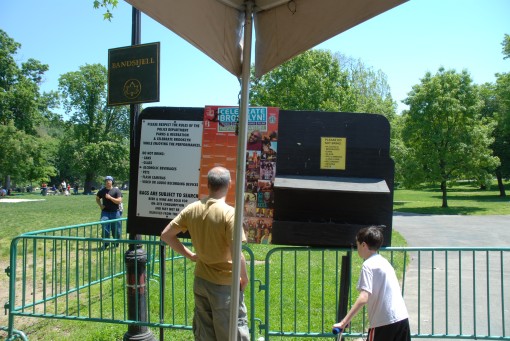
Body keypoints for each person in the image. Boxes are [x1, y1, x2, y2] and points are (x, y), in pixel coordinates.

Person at [160, 166, 250, 341]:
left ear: (207, 184)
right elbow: (237, 252)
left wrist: (190, 255)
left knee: (205, 334)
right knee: (231, 333)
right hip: (225, 285)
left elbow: (166, 235)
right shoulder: (230, 214)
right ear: (229, 184)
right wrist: (244, 278)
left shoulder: (192, 209)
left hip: (201, 280)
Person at [333, 226, 410, 341]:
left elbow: (364, 297)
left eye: (357, 244)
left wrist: (343, 322)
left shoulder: (368, 265)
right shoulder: (384, 262)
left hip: (383, 323)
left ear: (363, 245)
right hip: (402, 318)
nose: (356, 248)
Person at [95, 176, 123, 249]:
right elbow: (97, 198)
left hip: (115, 212)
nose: (108, 182)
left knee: (116, 229)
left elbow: (119, 201)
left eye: (109, 180)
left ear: (112, 182)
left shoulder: (116, 191)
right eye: (106, 180)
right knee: (105, 227)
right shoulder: (102, 191)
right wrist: (100, 205)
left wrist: (110, 198)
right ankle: (105, 243)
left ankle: (116, 243)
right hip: (105, 212)